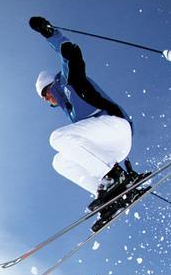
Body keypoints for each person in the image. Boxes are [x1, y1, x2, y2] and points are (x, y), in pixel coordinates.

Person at [30, 15, 150, 231]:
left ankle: (114, 176)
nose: (50, 102)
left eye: (46, 97)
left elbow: (72, 54)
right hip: (110, 148)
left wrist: (50, 34)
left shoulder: (69, 81)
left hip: (117, 127)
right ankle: (107, 192)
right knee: (59, 161)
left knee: (58, 138)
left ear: (49, 88)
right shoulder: (72, 113)